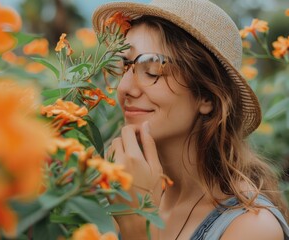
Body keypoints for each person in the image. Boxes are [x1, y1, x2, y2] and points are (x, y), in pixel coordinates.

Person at [92, 0, 289, 239]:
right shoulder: (126, 193)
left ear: (207, 96)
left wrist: (137, 228)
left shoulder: (253, 228)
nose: (124, 88)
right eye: (124, 66)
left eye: (152, 70)